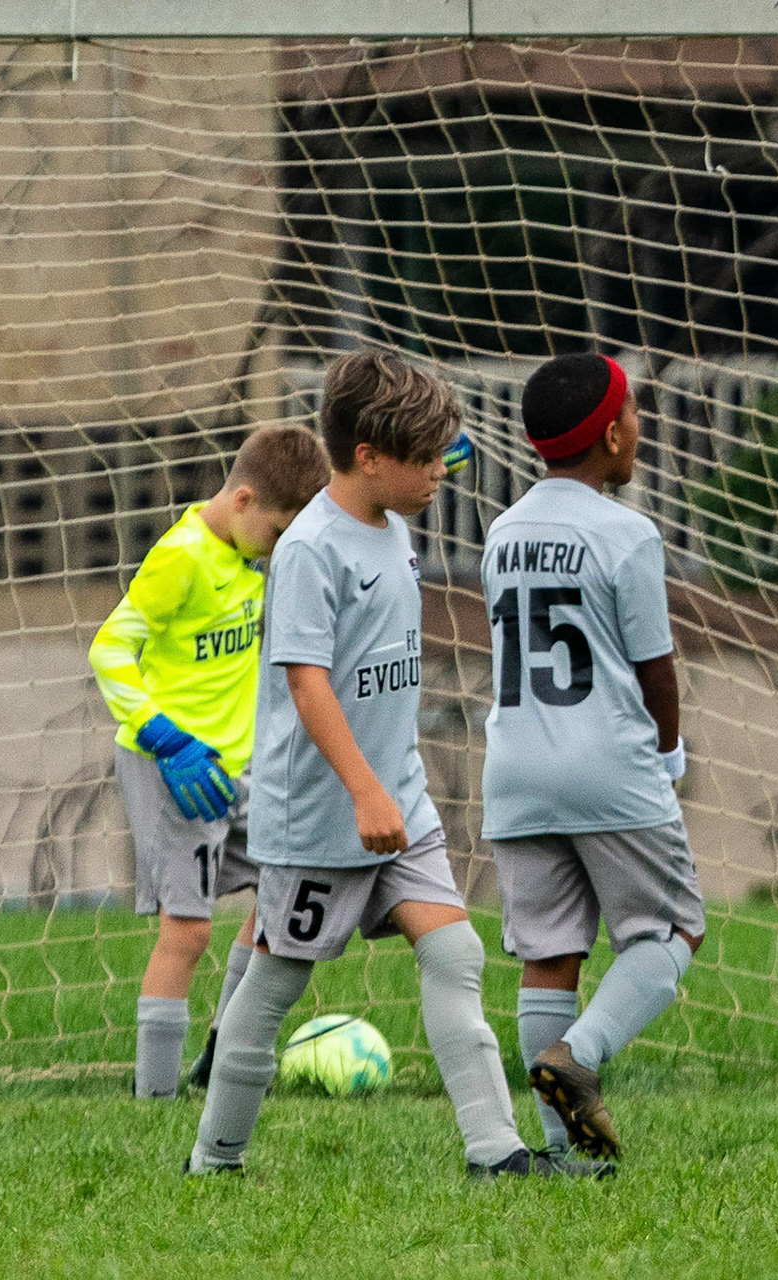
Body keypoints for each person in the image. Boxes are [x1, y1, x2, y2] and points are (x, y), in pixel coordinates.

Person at [185, 349, 595, 1178]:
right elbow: (307, 684)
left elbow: (431, 453)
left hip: (399, 806)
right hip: (321, 820)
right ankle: (214, 1158)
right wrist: (366, 792)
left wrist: (435, 434)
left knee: (456, 956)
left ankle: (497, 1154)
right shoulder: (309, 551)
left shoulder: (394, 521)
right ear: (368, 458)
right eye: (425, 459)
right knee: (272, 991)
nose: (442, 471)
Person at [481, 352, 705, 1164]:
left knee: (549, 954)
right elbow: (656, 667)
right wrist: (670, 757)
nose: (640, 427)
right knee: (672, 928)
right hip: (607, 764)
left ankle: (559, 1152)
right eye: (636, 413)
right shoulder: (627, 532)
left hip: (515, 768)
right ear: (613, 434)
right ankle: (578, 1057)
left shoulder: (503, 531)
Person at [89, 424, 330, 1099]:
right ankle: (154, 1098)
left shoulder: (252, 550)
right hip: (173, 767)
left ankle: (223, 1051)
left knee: (285, 892)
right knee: (189, 931)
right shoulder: (182, 558)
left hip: (236, 767)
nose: (283, 548)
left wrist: (415, 467)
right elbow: (109, 650)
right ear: (246, 500)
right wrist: (167, 740)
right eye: (280, 533)